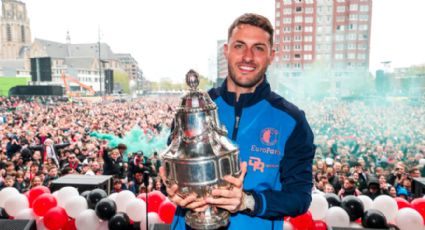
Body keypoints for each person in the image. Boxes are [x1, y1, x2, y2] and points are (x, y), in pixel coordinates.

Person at [161, 13, 315, 229]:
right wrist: (169, 187)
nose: (248, 56)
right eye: (239, 46)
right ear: (227, 51)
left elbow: (299, 198)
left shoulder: (291, 120)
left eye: (259, 48)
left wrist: (247, 201)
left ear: (271, 55)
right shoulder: (193, 109)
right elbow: (173, 171)